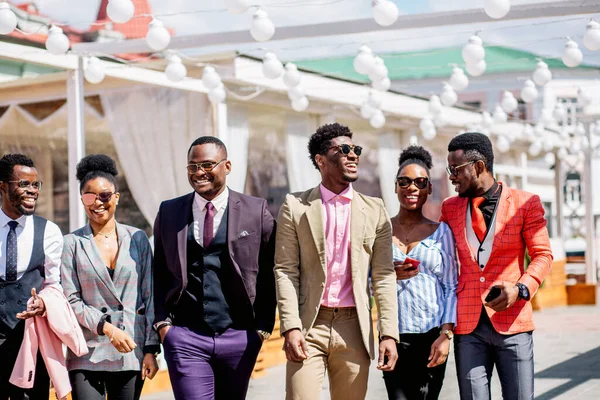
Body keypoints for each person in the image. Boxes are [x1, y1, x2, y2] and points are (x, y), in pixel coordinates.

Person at [275, 122, 399, 400]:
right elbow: (285, 270)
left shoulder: (375, 209)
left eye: (355, 149)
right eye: (343, 149)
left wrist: (388, 333)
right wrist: (291, 326)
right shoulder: (295, 206)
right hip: (309, 325)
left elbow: (383, 275)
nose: (353, 155)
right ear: (320, 160)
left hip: (354, 327)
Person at [152, 136, 276, 400]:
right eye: (192, 167)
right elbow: (160, 271)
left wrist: (262, 328)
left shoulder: (256, 211)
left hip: (239, 336)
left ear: (227, 166)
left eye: (207, 165)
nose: (199, 173)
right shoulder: (169, 211)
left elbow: (269, 272)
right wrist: (164, 326)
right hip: (186, 337)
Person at [440, 132, 553, 399]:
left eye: (455, 169)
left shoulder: (526, 203)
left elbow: (543, 255)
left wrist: (520, 289)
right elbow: (440, 259)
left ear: (478, 167)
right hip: (468, 327)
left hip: (513, 322)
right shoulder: (449, 208)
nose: (451, 176)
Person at [60, 154, 159, 400]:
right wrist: (106, 328)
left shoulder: (137, 239)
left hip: (130, 350)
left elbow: (150, 295)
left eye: (104, 195)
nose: (97, 203)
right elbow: (70, 300)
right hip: (87, 351)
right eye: (89, 196)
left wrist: (151, 349)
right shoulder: (71, 244)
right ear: (82, 199)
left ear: (116, 197)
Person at [383, 146, 458, 400]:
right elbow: (368, 283)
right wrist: (387, 274)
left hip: (431, 337)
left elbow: (450, 286)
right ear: (395, 187)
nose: (411, 187)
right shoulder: (380, 232)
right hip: (394, 335)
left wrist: (446, 335)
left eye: (419, 182)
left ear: (429, 188)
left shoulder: (442, 232)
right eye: (404, 181)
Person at [0, 153, 64, 400]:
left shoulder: (49, 232)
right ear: (3, 187)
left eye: (35, 184)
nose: (32, 191)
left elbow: (55, 284)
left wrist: (45, 301)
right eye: (24, 184)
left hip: (29, 344)